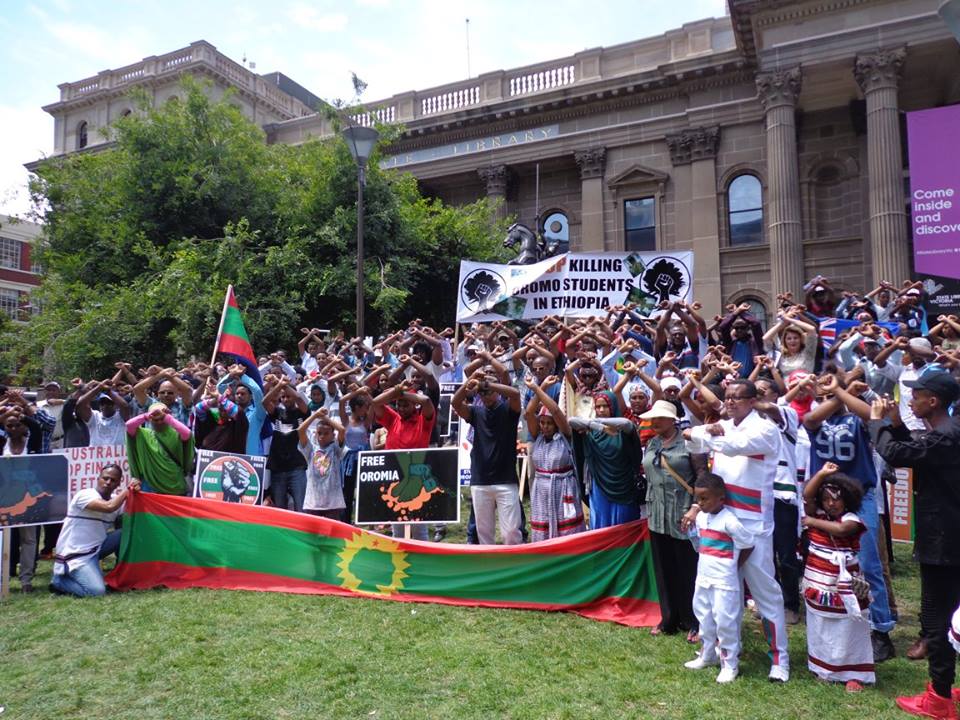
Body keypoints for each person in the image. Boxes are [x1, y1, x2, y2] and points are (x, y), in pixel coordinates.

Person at [682, 378, 790, 682]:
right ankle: (715, 651)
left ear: (753, 400)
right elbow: (691, 441)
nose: (730, 403)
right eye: (727, 398)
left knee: (765, 596)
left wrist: (707, 433)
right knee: (718, 596)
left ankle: (779, 660)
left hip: (753, 526)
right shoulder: (726, 426)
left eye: (737, 398)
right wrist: (703, 433)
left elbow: (734, 444)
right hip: (720, 521)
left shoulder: (765, 429)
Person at [869, 373, 960, 718]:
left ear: (933, 401)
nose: (910, 400)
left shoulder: (947, 436)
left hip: (943, 542)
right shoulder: (949, 433)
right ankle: (945, 687)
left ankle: (939, 700)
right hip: (950, 538)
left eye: (916, 395)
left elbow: (894, 453)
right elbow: (918, 450)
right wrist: (894, 424)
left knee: (937, 619)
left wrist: (878, 423)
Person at [803, 373, 897, 662]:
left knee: (868, 563)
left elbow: (871, 415)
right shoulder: (817, 420)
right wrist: (836, 393)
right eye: (822, 391)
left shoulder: (855, 417)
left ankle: (880, 630)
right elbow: (809, 420)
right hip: (827, 497)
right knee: (827, 561)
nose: (827, 396)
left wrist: (841, 393)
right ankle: (839, 616)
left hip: (859, 495)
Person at [801, 461, 875, 692]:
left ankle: (854, 674)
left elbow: (843, 530)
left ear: (848, 499)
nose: (831, 504)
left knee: (848, 627)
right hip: (818, 581)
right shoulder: (820, 512)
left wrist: (812, 522)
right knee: (821, 625)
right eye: (827, 499)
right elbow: (807, 494)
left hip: (845, 586)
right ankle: (825, 668)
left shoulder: (851, 519)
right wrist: (822, 473)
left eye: (837, 499)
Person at [640, 399, 706, 641]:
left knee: (688, 569)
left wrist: (697, 507)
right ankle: (669, 618)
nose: (654, 422)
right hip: (657, 514)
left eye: (659, 418)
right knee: (664, 568)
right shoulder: (651, 443)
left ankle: (695, 620)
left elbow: (702, 476)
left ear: (672, 419)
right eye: (652, 418)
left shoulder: (690, 443)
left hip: (683, 514)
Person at [683, 473, 754, 684]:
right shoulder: (702, 518)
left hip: (724, 581)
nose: (701, 503)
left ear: (721, 498)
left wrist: (734, 566)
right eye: (699, 499)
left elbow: (748, 543)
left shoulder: (729, 521)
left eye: (705, 499)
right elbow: (700, 543)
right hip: (703, 577)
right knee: (704, 616)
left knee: (725, 622)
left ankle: (730, 663)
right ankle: (708, 654)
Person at [452, 374, 523, 545]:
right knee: (484, 534)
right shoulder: (476, 412)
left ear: (497, 391)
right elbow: (455, 403)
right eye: (481, 393)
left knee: (511, 532)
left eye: (488, 391)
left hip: (506, 479)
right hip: (480, 480)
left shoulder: (509, 409)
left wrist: (488, 384)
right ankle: (491, 567)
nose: (484, 395)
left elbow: (515, 394)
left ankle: (514, 565)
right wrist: (467, 385)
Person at [50, 465, 140, 597]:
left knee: (126, 533)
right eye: (105, 478)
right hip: (76, 555)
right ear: (98, 478)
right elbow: (109, 507)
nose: (108, 482)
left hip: (97, 548)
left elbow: (135, 511)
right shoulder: (85, 495)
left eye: (113, 480)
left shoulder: (115, 498)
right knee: (97, 592)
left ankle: (121, 575)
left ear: (118, 483)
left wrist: (136, 493)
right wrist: (127, 491)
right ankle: (59, 582)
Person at [523, 374, 584, 542]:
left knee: (567, 529)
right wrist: (540, 387)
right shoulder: (538, 437)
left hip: (564, 486)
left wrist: (536, 388)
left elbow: (556, 411)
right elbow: (529, 413)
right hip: (542, 488)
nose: (545, 426)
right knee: (544, 527)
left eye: (549, 423)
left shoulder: (565, 434)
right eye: (542, 422)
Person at [569, 391, 643, 530]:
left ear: (613, 406)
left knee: (623, 526)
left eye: (605, 406)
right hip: (599, 486)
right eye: (598, 407)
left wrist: (598, 422)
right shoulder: (592, 431)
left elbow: (627, 423)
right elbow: (571, 421)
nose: (601, 410)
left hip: (623, 487)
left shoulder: (622, 431)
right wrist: (600, 427)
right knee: (601, 525)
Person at [125, 402, 195, 496]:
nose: (159, 422)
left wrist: (167, 417)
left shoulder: (176, 434)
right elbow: (129, 425)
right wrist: (146, 416)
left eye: (162, 419)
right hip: (151, 485)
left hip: (175, 485)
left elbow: (187, 433)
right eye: (155, 419)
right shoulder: (143, 434)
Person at [264, 379, 309, 512]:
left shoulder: (302, 412)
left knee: (302, 508)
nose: (285, 399)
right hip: (277, 468)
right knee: (280, 510)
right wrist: (279, 385)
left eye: (288, 396)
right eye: (283, 397)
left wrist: (286, 386)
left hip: (297, 467)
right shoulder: (277, 413)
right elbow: (265, 402)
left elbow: (300, 400)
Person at [297, 408, 346, 519]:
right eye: (319, 433)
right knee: (313, 535)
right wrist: (315, 416)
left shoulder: (335, 449)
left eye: (326, 433)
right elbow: (300, 430)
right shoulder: (310, 449)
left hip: (333, 502)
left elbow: (342, 430)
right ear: (315, 434)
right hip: (313, 502)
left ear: (333, 436)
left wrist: (324, 418)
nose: (322, 436)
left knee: (332, 535)